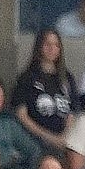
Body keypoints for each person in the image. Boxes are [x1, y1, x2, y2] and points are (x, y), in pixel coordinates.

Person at [14, 29, 77, 157]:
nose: (52, 48)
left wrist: (64, 136)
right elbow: (21, 114)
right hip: (35, 141)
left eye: (56, 45)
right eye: (47, 44)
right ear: (39, 47)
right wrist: (49, 137)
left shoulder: (67, 77)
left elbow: (73, 111)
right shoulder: (26, 78)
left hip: (64, 141)